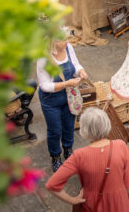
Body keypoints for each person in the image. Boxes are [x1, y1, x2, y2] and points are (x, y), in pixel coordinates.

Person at [45, 107, 129, 211]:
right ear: (107, 124)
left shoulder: (79, 155)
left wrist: (73, 200)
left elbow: (51, 185)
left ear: (84, 129)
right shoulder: (121, 146)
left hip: (92, 205)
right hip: (120, 204)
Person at [36, 38, 88, 171]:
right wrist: (67, 83)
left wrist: (80, 71)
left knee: (69, 126)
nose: (67, 41)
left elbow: (75, 65)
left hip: (68, 97)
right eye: (62, 39)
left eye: (66, 38)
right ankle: (55, 157)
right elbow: (44, 85)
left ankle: (68, 150)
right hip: (51, 100)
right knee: (55, 130)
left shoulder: (68, 48)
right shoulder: (43, 58)